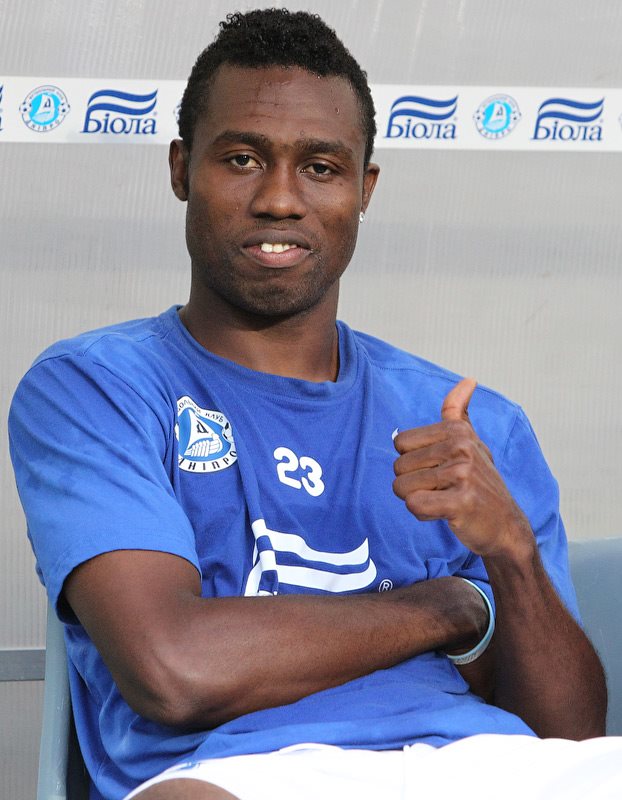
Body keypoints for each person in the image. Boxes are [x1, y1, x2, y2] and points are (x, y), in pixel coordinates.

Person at [8, 8, 619, 800]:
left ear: (364, 190)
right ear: (181, 169)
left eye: (322, 168)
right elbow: (174, 670)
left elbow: (570, 736)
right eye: (242, 159)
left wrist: (512, 559)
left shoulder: (471, 422)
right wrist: (453, 605)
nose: (279, 199)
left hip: (479, 763)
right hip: (236, 775)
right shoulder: (98, 389)